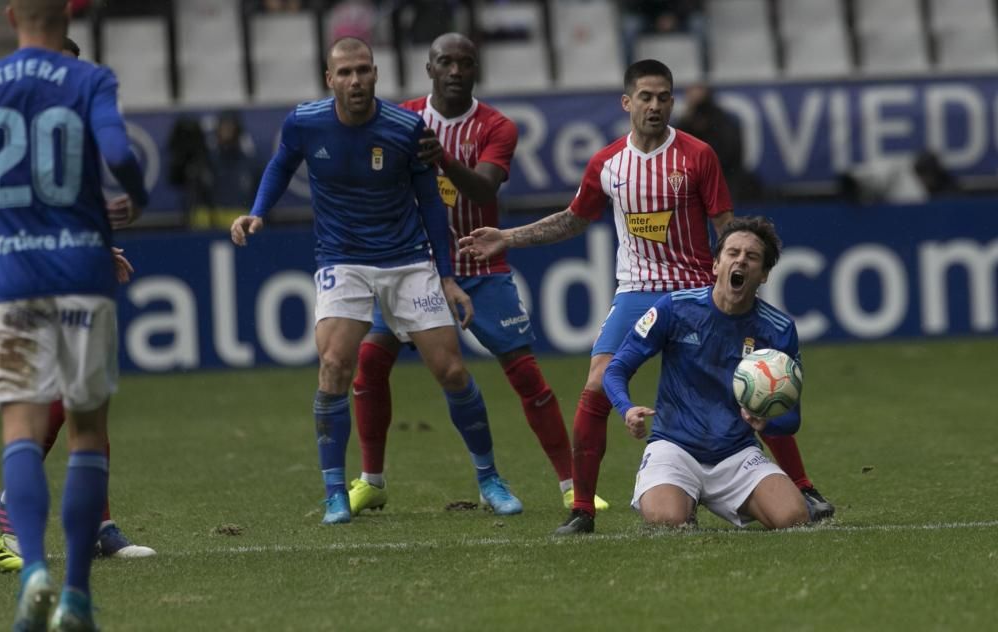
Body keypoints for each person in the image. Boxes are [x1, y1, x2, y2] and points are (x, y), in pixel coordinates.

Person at [460, 59, 833, 535]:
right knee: (596, 383)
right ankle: (582, 509)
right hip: (638, 289)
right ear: (627, 102)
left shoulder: (698, 156)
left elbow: (727, 229)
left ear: (672, 102)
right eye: (645, 97)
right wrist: (508, 238)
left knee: (754, 378)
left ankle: (800, 484)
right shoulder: (609, 164)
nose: (654, 105)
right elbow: (575, 219)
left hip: (697, 285)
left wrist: (743, 282)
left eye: (663, 97)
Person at [230, 37, 522, 525]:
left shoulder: (406, 128)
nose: (356, 81)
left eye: (363, 70)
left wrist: (446, 276)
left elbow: (430, 200)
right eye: (345, 73)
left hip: (408, 260)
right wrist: (258, 212)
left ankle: (490, 478)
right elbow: (282, 164)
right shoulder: (305, 121)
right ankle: (333, 494)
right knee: (334, 366)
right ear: (330, 79)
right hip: (342, 260)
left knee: (452, 372)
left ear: (376, 74)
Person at [348, 33, 605, 515]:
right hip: (412, 270)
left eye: (465, 62)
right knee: (369, 365)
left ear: (475, 70)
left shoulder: (496, 126)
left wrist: (441, 158)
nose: (455, 70)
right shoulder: (402, 119)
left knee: (527, 376)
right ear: (429, 67)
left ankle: (572, 485)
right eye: (445, 61)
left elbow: (483, 186)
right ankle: (372, 480)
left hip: (480, 266)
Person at [0, 0, 148, 628]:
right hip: (82, 272)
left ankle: (33, 566)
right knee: (86, 428)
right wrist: (133, 198)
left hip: (16, 274)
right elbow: (119, 152)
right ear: (66, 14)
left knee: (21, 429)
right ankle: (77, 598)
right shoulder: (90, 79)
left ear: (10, 15)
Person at [602, 216, 811, 530]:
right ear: (716, 265)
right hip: (673, 448)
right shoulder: (674, 308)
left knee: (794, 519)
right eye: (732, 253)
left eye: (751, 257)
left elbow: (792, 418)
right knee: (667, 521)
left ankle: (709, 497)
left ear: (764, 275)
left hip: (737, 454)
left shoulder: (779, 330)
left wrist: (768, 421)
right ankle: (681, 497)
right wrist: (626, 407)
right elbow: (616, 368)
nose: (740, 260)